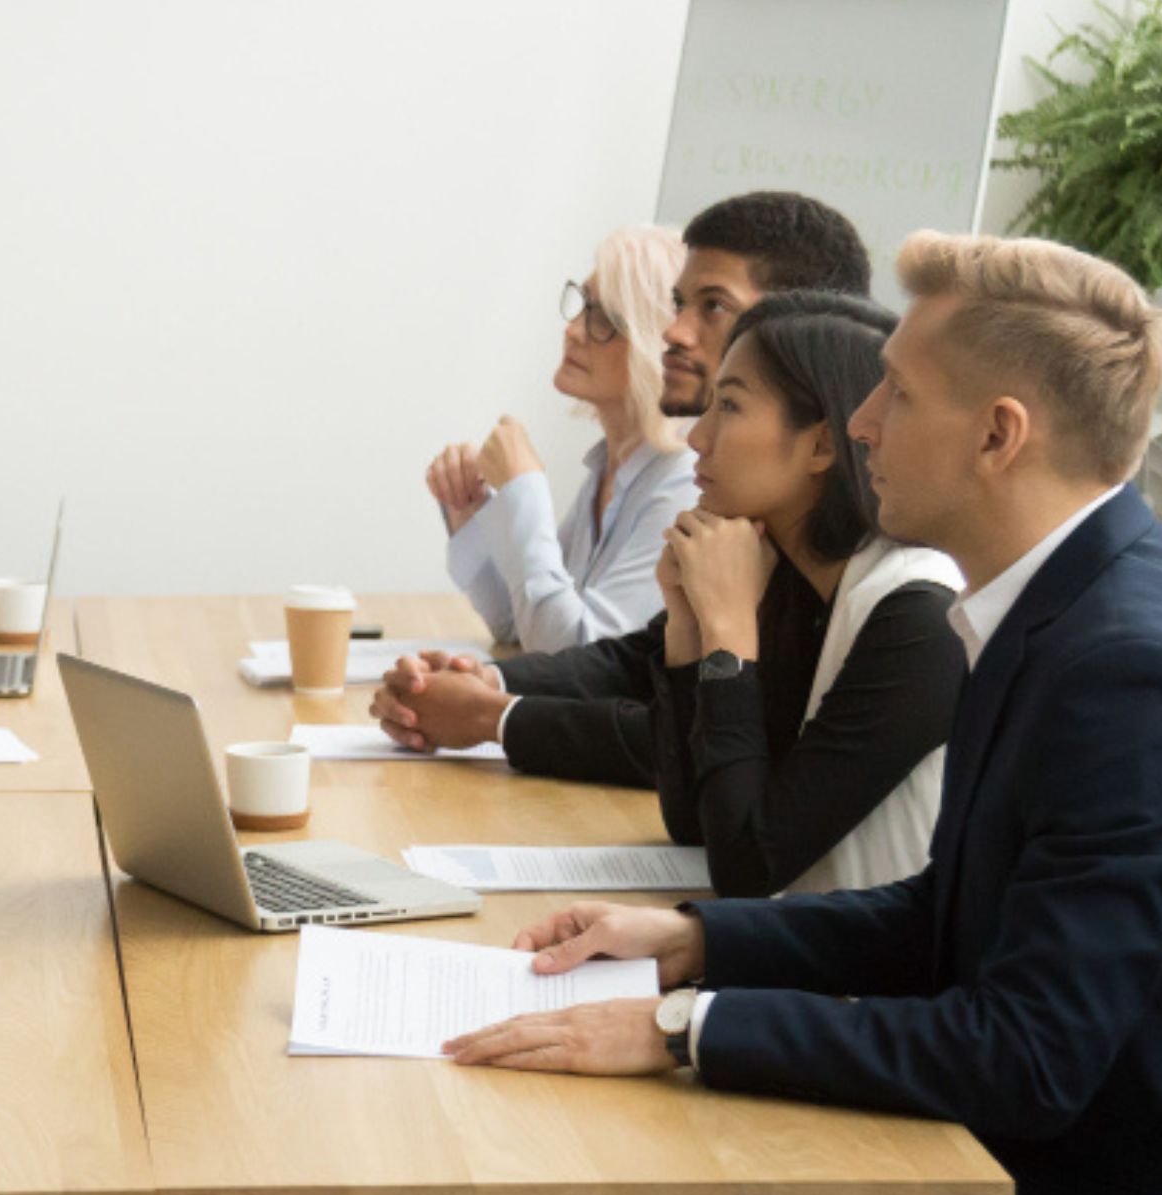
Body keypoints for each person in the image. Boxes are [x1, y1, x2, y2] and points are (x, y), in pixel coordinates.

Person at [447, 234, 1162, 1195]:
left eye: (895, 390)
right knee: (616, 1187)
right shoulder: (1053, 603)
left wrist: (683, 1024)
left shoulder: (1135, 670)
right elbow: (953, 909)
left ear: (997, 435)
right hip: (1069, 1176)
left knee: (651, 1194)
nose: (861, 421)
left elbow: (1027, 1051)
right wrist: (699, 939)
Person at [396, 294, 964, 895]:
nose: (699, 438)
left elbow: (747, 865)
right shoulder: (794, 583)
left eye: (731, 407)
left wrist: (727, 639)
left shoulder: (918, 617)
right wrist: (688, 631)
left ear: (822, 445)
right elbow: (694, 822)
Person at [373, 190, 874, 787]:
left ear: (802, 329)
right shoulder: (752, 518)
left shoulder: (877, 589)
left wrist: (492, 713)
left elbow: (702, 763)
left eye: (712, 307)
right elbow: (635, 661)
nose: (675, 332)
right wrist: (484, 683)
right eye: (676, 304)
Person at [428, 226, 696, 653]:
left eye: (605, 318)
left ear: (653, 343)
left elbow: (577, 654)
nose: (573, 331)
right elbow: (520, 624)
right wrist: (471, 509)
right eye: (582, 305)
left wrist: (525, 492)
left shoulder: (681, 487)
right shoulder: (612, 467)